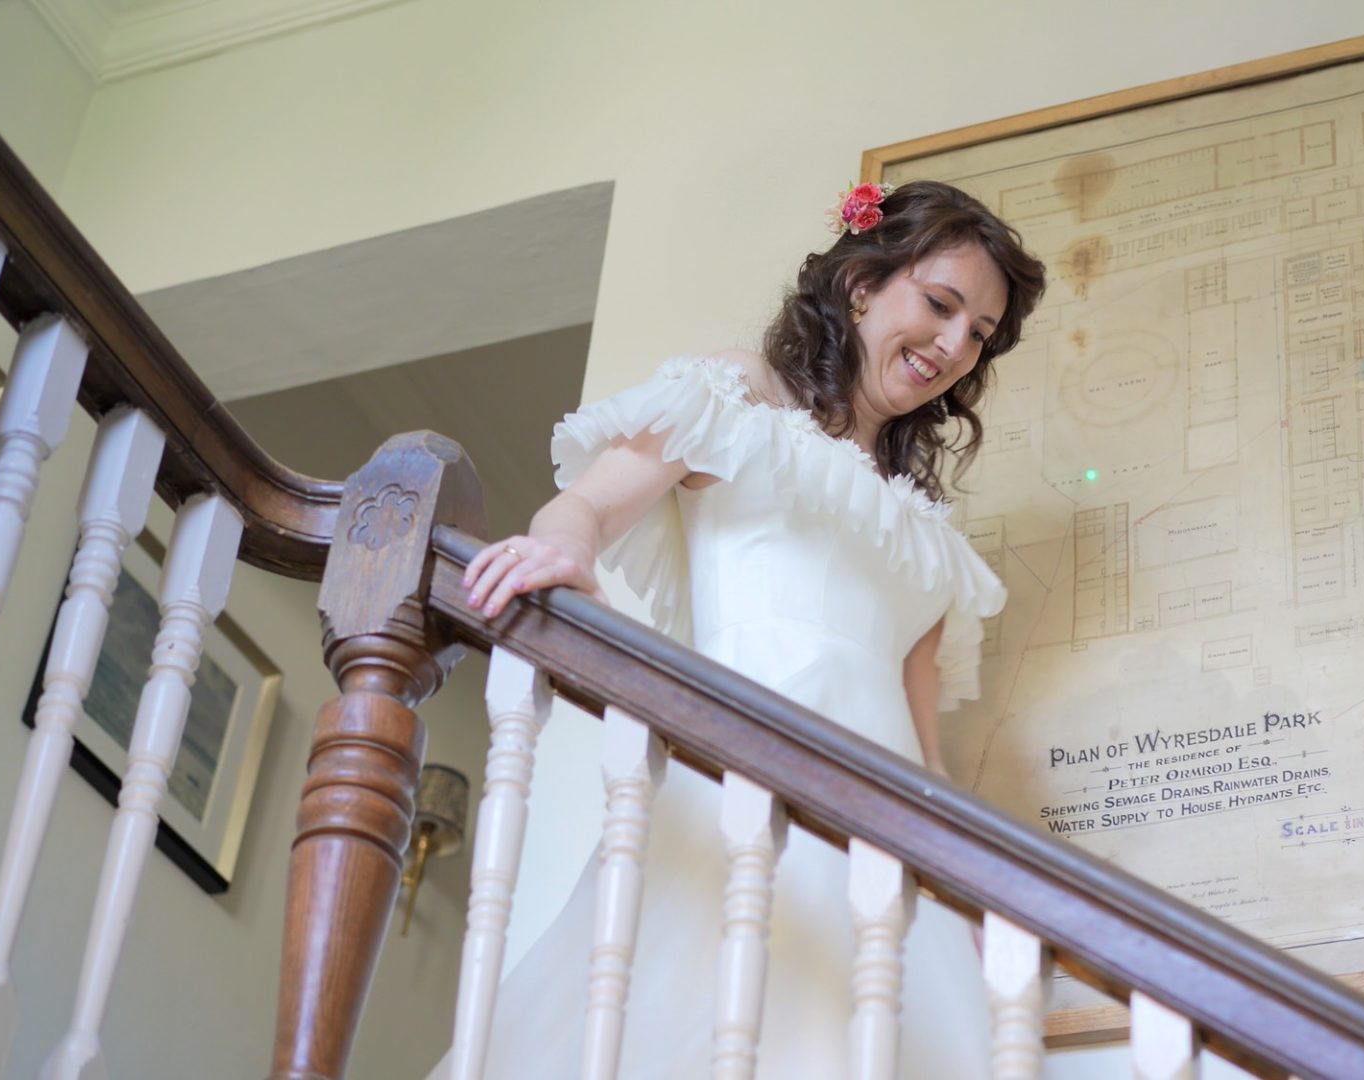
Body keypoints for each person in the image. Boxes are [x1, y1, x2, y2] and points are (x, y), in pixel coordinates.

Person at [430, 180, 1046, 1077]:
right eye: (941, 304)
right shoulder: (738, 396)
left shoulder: (925, 531)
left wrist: (978, 898)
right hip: (731, 793)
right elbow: (587, 508)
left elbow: (929, 758)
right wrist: (561, 555)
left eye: (979, 334)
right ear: (864, 284)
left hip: (882, 842)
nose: (954, 346)